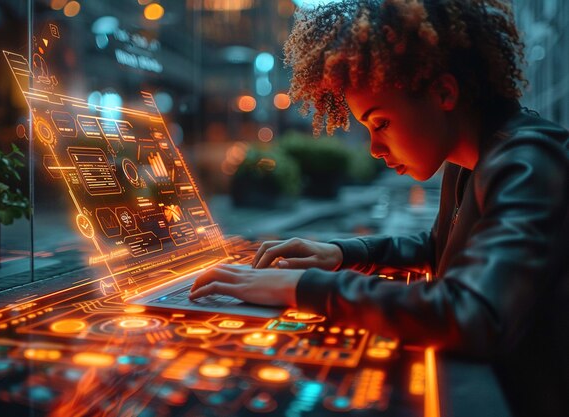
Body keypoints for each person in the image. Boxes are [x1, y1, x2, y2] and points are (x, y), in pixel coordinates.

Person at [190, 1, 568, 415]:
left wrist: (302, 289)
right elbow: (441, 247)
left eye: (380, 123)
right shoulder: (469, 163)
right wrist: (345, 253)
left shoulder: (529, 161)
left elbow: (472, 314)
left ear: (444, 92)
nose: (373, 148)